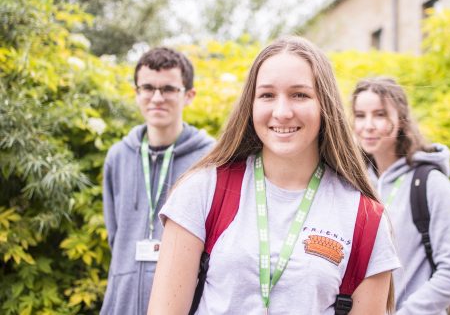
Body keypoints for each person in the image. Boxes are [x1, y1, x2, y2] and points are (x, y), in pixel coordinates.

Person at [148, 36, 400, 314]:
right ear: (251, 104)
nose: (282, 112)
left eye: (299, 95)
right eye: (267, 95)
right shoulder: (202, 191)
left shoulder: (366, 220)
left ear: (325, 105)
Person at [101, 47, 215, 315]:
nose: (157, 98)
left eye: (168, 89)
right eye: (148, 88)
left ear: (189, 95)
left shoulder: (211, 159)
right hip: (122, 304)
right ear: (136, 93)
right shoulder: (118, 156)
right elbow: (115, 236)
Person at [351, 77, 450, 314]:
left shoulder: (431, 184)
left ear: (402, 121)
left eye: (380, 114)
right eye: (360, 115)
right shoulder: (354, 183)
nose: (368, 125)